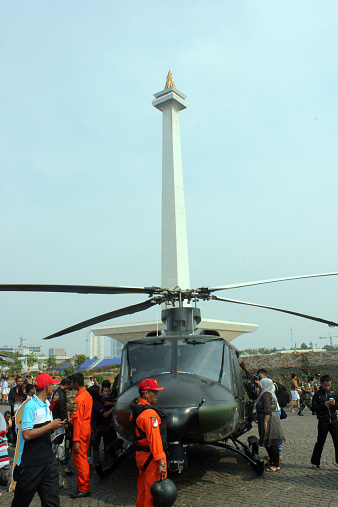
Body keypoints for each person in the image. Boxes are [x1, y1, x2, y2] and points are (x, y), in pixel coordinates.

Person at [10, 373, 65, 507]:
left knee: (52, 501)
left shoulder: (46, 404)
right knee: (21, 502)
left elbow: (44, 429)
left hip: (47, 460)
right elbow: (27, 435)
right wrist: (50, 426)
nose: (54, 386)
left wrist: (54, 427)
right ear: (47, 387)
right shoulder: (30, 406)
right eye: (52, 384)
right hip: (31, 462)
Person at [130, 378, 167, 507]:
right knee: (153, 495)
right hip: (152, 459)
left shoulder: (136, 410)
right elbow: (155, 440)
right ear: (146, 393)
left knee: (142, 490)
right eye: (154, 392)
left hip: (140, 456)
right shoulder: (150, 414)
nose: (157, 395)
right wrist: (161, 461)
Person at [70, 372, 93, 499]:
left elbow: (77, 421)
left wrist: (75, 440)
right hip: (86, 429)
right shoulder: (87, 395)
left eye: (72, 382)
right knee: (82, 458)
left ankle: (84, 488)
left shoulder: (79, 399)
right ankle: (82, 486)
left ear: (76, 383)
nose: (71, 384)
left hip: (80, 431)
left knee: (80, 460)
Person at [256, 377, 284, 472]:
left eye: (260, 385)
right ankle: (272, 460)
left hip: (269, 420)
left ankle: (276, 464)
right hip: (269, 419)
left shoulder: (266, 394)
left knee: (272, 442)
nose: (259, 387)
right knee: (268, 441)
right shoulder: (267, 393)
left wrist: (265, 422)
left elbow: (267, 409)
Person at [311, 374, 338, 468]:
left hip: (334, 420)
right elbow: (313, 408)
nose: (327, 387)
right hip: (323, 421)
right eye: (326, 385)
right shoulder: (317, 395)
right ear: (321, 384)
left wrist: (334, 404)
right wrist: (324, 405)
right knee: (320, 441)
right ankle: (315, 461)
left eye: (329, 385)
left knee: (337, 441)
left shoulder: (334, 393)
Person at [51, 378, 70, 463]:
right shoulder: (61, 394)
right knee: (61, 437)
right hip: (60, 418)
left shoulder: (57, 391)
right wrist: (65, 420)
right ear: (66, 385)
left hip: (56, 417)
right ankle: (61, 457)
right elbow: (61, 408)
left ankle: (54, 454)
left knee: (57, 437)